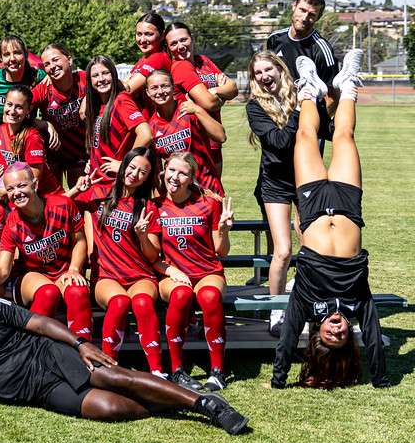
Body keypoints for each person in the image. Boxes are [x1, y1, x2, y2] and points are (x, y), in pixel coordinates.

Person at [0, 282, 248, 435]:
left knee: (116, 377)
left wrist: (80, 344)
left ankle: (207, 405)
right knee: (109, 408)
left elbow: (40, 323)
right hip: (36, 391)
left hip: (48, 354)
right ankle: (174, 400)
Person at [272, 50, 390, 389]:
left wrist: (279, 379)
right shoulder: (357, 300)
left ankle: (309, 87)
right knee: (344, 136)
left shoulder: (306, 300)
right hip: (348, 206)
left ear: (317, 334)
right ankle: (348, 83)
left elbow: (288, 334)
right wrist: (380, 377)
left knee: (305, 137)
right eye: (342, 336)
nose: (337, 329)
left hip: (312, 210)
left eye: (330, 335)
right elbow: (373, 331)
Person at [146, 152, 234, 391]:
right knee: (181, 294)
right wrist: (171, 271)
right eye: (171, 170)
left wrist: (224, 230)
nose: (175, 177)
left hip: (207, 272)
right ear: (164, 171)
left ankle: (217, 371)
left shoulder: (209, 204)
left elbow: (221, 251)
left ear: (192, 177)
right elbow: (152, 257)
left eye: (183, 173)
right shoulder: (155, 206)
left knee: (210, 296)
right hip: (173, 274)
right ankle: (177, 369)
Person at [79, 147, 164, 376]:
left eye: (143, 172)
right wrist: (78, 188)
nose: (135, 174)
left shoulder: (147, 206)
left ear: (147, 178)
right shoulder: (98, 193)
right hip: (107, 275)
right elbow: (60, 205)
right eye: (132, 167)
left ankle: (157, 371)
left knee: (142, 303)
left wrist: (143, 236)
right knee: (119, 302)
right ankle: (109, 369)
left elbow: (152, 256)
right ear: (123, 165)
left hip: (140, 276)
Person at [0, 164, 91, 341]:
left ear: (35, 184)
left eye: (22, 185)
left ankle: (83, 349)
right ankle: (31, 347)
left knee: (78, 291)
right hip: (33, 278)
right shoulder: (12, 224)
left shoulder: (63, 205)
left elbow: (80, 241)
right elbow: (3, 269)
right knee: (48, 292)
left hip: (64, 272)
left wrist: (74, 269)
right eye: (10, 189)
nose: (17, 193)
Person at [246, 51, 301, 334]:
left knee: (314, 248)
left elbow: (325, 131)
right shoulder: (255, 106)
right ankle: (277, 310)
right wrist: (300, 112)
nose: (264, 76)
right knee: (283, 251)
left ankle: (304, 294)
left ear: (280, 69)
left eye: (268, 69)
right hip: (275, 182)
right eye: (258, 73)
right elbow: (279, 142)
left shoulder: (299, 95)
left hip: (305, 178)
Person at [265, 0, 340, 140]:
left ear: (318, 18)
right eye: (302, 10)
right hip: (279, 122)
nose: (305, 17)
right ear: (294, 7)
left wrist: (311, 125)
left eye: (311, 15)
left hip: (308, 125)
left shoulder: (321, 49)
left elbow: (333, 96)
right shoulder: (274, 39)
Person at [165, 22, 237, 176]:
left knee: (214, 188)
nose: (180, 46)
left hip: (213, 138)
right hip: (196, 142)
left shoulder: (203, 61)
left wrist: (215, 91)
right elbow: (209, 103)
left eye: (183, 40)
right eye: (173, 43)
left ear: (192, 39)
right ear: (168, 48)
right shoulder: (180, 67)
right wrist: (222, 98)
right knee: (201, 188)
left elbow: (233, 88)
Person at [82, 55, 152, 201]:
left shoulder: (121, 100)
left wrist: (126, 164)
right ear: (89, 81)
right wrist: (93, 160)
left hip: (114, 186)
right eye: (95, 75)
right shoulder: (97, 105)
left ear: (114, 75)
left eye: (105, 73)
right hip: (96, 182)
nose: (101, 79)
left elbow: (146, 134)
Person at [145, 69, 225, 196]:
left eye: (165, 86)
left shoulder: (189, 109)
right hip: (179, 196)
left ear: (173, 88)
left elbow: (221, 136)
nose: (160, 91)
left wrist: (198, 110)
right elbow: (158, 175)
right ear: (148, 92)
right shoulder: (151, 127)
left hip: (208, 189)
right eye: (154, 88)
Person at [0, 85, 61, 200]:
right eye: (9, 104)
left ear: (28, 110)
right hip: (19, 197)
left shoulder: (32, 137)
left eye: (19, 107)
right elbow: (1, 169)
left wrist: (6, 191)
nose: (12, 111)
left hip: (45, 198)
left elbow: (34, 180)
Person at [32, 43, 88, 188]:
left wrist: (89, 97)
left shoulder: (84, 79)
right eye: (47, 64)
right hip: (54, 153)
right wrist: (44, 124)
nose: (52, 66)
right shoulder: (43, 89)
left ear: (69, 59)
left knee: (80, 195)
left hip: (80, 153)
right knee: (54, 197)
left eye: (56, 60)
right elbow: (19, 114)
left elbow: (116, 85)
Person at [0, 34, 46, 139]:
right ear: (1, 58)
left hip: (22, 141)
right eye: (6, 54)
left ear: (25, 54)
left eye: (17, 53)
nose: (12, 59)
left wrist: (47, 125)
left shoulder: (39, 77)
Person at [123, 11, 170, 100]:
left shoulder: (158, 58)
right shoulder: (144, 58)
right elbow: (125, 82)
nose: (142, 40)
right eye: (139, 34)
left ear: (162, 35)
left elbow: (127, 89)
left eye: (148, 34)